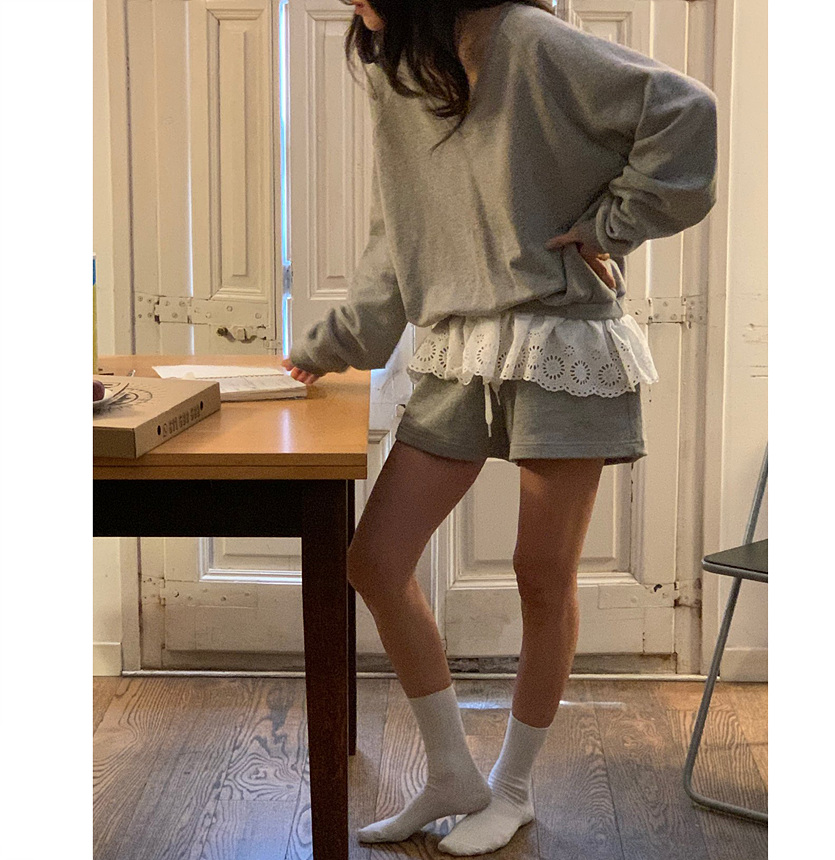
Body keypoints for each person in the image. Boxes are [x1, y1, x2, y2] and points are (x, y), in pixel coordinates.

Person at [283, 1, 718, 853]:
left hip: (561, 340)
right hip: (458, 345)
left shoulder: (522, 35)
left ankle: (511, 790)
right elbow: (398, 231)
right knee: (375, 561)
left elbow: (683, 111)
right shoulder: (393, 68)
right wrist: (338, 341)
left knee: (539, 576)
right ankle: (451, 773)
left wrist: (609, 225)